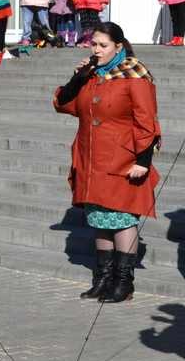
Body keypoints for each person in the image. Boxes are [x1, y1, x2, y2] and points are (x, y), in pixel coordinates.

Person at [53, 22, 161, 303]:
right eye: (94, 44)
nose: (96, 50)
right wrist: (78, 78)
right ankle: (102, 279)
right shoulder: (92, 75)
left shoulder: (135, 75)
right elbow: (63, 102)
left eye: (103, 45)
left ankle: (123, 283)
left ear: (118, 47)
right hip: (91, 160)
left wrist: (143, 161)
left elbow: (146, 121)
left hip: (122, 160)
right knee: (100, 219)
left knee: (122, 218)